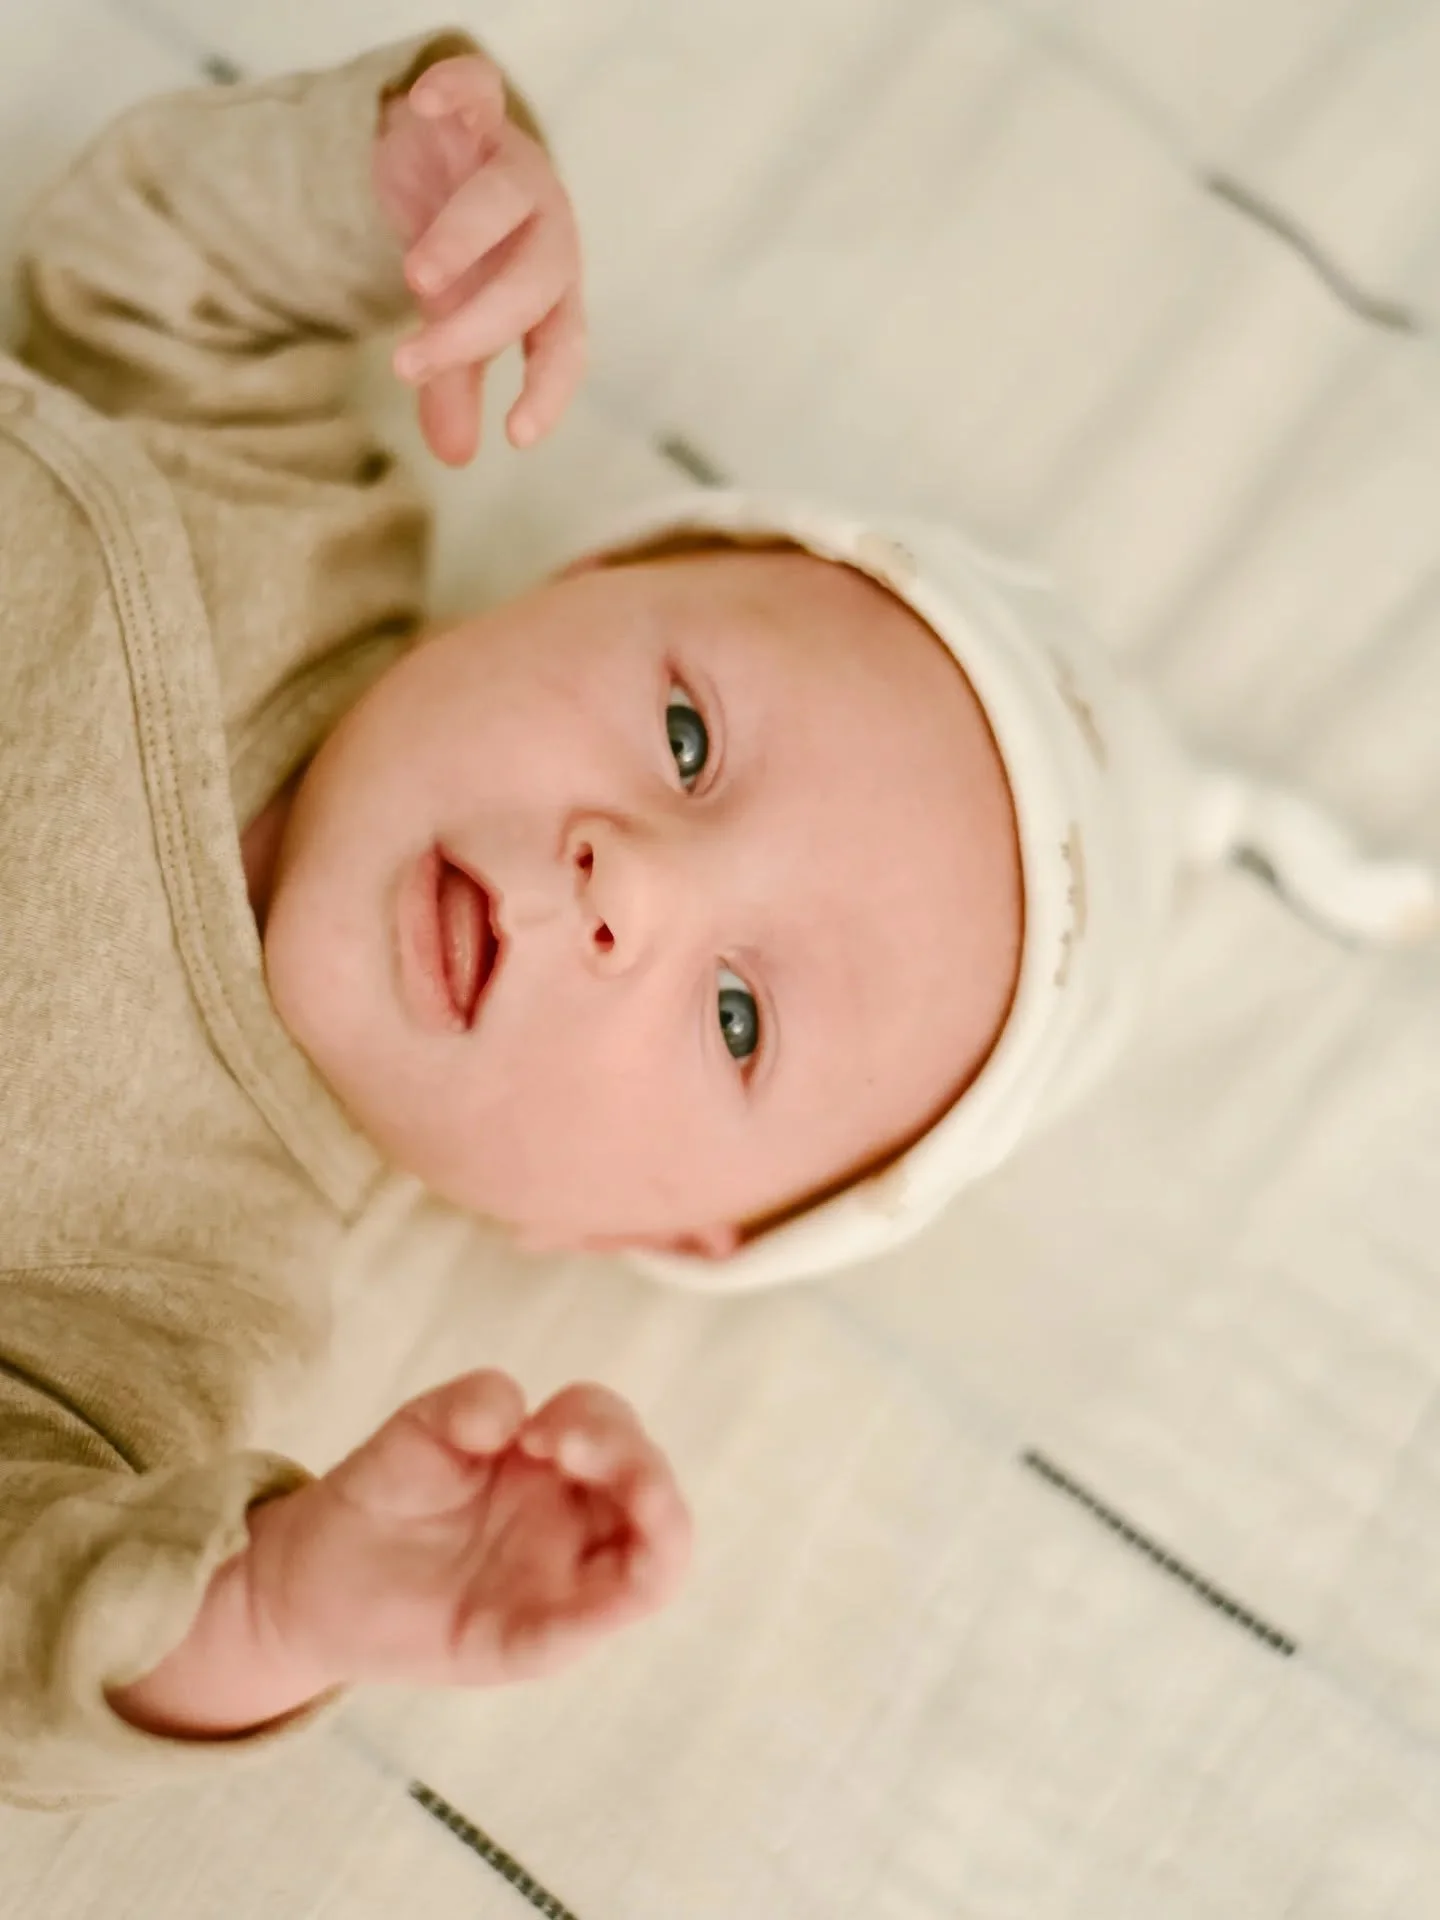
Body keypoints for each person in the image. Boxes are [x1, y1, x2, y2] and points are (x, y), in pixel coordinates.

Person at [3, 32, 1433, 1811]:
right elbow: (143, 268)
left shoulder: (178, 1287)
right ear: (585, 585)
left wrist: (278, 1605)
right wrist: (416, 195)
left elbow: (33, 1623)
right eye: (687, 740)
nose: (635, 884)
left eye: (739, 1016)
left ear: (645, 1232)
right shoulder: (275, 499)